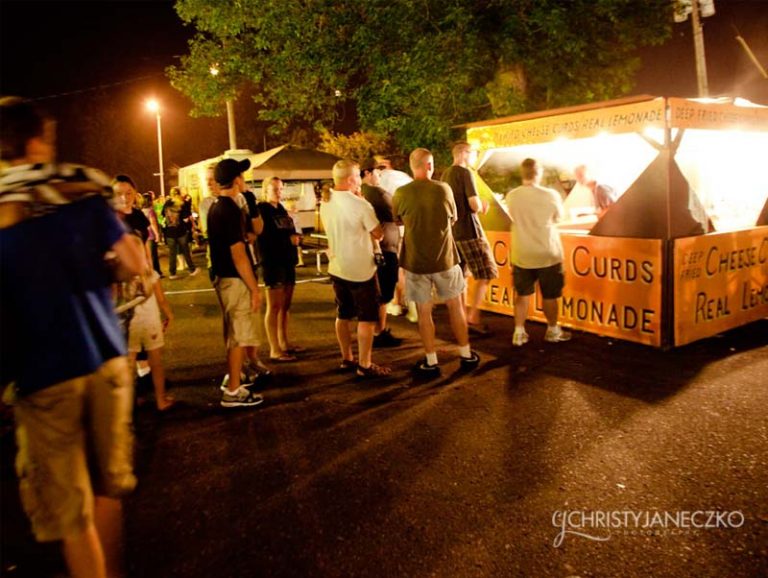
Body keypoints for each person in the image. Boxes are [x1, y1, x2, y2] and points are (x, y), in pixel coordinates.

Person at [0, 97, 145, 578]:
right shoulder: (82, 193)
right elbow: (133, 263)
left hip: (42, 373)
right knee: (108, 488)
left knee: (70, 508)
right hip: (106, 358)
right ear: (38, 140)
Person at [392, 148, 480, 375]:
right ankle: (466, 354)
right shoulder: (444, 189)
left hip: (416, 262)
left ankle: (431, 361)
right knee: (456, 307)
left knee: (424, 312)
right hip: (446, 260)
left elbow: (398, 220)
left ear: (412, 166)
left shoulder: (401, 193)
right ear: (429, 165)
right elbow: (454, 218)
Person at [319, 159, 392, 379]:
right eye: (358, 176)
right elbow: (378, 233)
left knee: (343, 314)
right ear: (351, 179)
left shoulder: (326, 200)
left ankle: (347, 357)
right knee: (367, 318)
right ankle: (365, 364)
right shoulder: (361, 205)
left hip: (337, 266)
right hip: (361, 269)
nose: (360, 179)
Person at [207, 158, 267, 407]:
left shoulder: (218, 206)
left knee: (234, 333)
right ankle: (233, 391)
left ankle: (235, 379)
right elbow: (238, 254)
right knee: (239, 336)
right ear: (236, 180)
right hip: (234, 279)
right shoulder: (229, 209)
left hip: (224, 277)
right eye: (242, 175)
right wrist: (254, 288)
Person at [504, 158, 572, 346]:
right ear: (539, 173)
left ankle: (518, 332)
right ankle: (552, 330)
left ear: (522, 173)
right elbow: (558, 218)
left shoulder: (512, 196)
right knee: (550, 295)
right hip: (547, 252)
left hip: (522, 252)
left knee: (522, 294)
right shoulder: (551, 195)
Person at [440, 141, 499, 335]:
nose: (474, 157)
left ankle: (463, 317)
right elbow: (473, 204)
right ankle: (473, 315)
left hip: (454, 233)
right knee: (486, 272)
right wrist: (482, 204)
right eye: (473, 153)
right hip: (470, 231)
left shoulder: (445, 174)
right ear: (464, 153)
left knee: (462, 276)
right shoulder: (465, 173)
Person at [257, 176, 304, 361]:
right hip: (272, 263)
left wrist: (295, 237)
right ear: (266, 190)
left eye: (281, 189)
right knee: (274, 307)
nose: (279, 192)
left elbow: (286, 230)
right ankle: (274, 349)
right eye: (275, 189)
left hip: (287, 261)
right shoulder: (263, 210)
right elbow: (264, 238)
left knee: (285, 306)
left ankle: (285, 342)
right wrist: (288, 240)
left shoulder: (281, 209)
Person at [360, 162, 403, 348]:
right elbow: (398, 214)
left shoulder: (366, 193)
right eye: (377, 172)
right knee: (384, 291)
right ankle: (379, 332)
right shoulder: (375, 193)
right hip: (384, 248)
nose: (380, 176)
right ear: (367, 173)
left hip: (382, 246)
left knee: (382, 291)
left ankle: (380, 330)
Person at [163, 187, 198, 279]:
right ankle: (192, 270)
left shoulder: (167, 203)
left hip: (169, 232)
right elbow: (186, 218)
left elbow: (163, 214)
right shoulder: (182, 203)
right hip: (181, 231)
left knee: (172, 254)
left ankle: (172, 273)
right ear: (179, 193)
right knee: (186, 251)